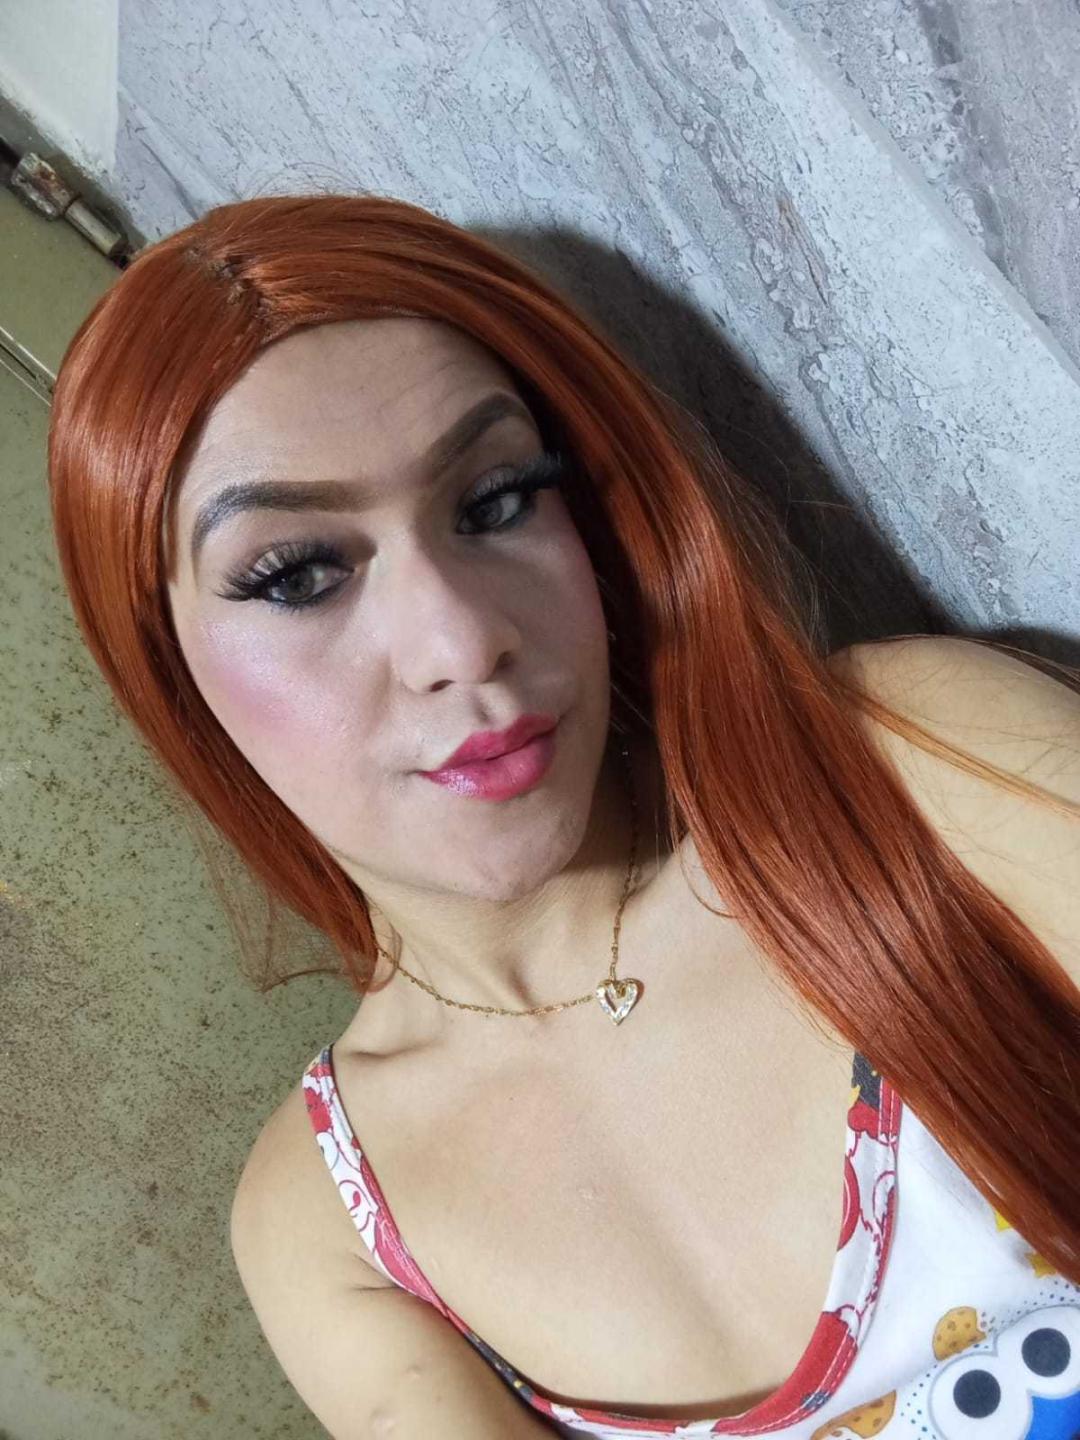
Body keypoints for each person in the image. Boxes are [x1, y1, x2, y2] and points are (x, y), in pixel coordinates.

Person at [47, 194, 1080, 1438]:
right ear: (168, 668)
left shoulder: (913, 770)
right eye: (298, 574)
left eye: (494, 502)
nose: (459, 641)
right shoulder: (333, 1225)